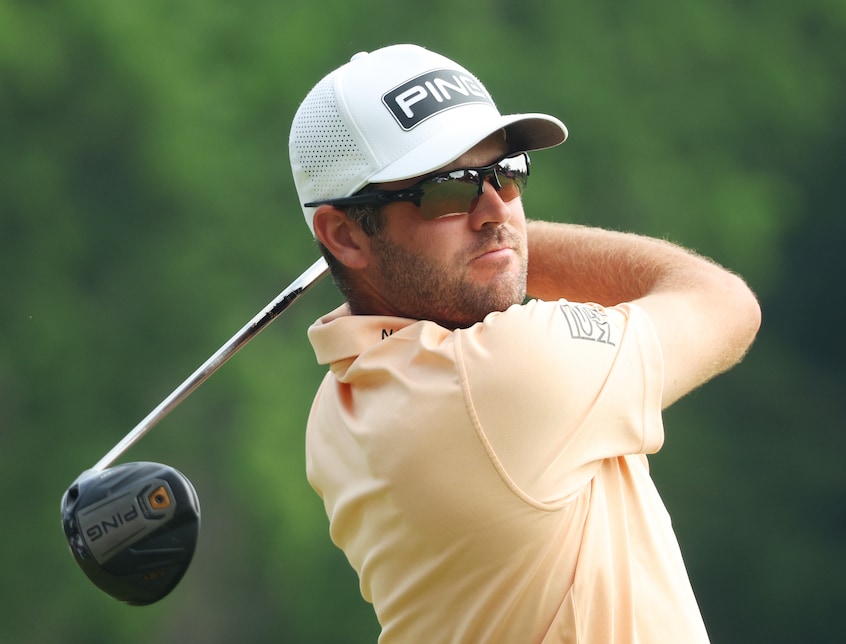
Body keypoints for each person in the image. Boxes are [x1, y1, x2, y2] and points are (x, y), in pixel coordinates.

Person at [289, 44, 761, 643]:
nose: (494, 210)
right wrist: (509, 243)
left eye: (505, 174)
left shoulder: (338, 407)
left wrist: (474, 240)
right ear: (343, 234)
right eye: (447, 191)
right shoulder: (501, 376)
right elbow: (723, 302)